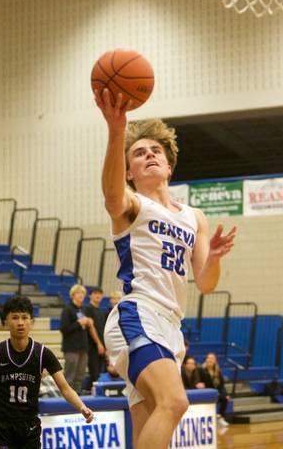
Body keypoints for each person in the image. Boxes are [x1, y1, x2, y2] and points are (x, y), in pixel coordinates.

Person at [95, 89, 237, 449]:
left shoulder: (194, 217)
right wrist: (117, 131)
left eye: (155, 150)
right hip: (137, 314)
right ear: (130, 171)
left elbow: (204, 282)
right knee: (175, 402)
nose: (149, 155)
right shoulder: (132, 204)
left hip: (171, 326)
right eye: (139, 153)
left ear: (169, 164)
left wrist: (215, 258)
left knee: (149, 426)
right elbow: (111, 197)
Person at [0, 295, 94, 447]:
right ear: (6, 322)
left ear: (31, 322)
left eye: (25, 317)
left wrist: (82, 407)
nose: (20, 323)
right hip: (2, 426)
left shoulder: (43, 353)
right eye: (15, 318)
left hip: (30, 425)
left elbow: (65, 388)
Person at [60, 284, 92, 394]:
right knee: (69, 376)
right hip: (71, 348)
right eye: (79, 293)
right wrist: (78, 323)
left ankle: (77, 397)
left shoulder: (84, 309)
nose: (81, 295)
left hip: (83, 347)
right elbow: (64, 329)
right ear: (72, 295)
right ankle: (66, 399)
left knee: (80, 376)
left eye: (83, 293)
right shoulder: (67, 310)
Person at [84, 287, 107, 392]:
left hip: (102, 346)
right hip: (92, 346)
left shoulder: (102, 312)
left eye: (100, 294)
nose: (98, 296)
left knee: (100, 373)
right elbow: (90, 329)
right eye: (95, 293)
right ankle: (89, 394)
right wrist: (98, 344)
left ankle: (91, 392)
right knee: (94, 373)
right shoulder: (87, 309)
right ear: (90, 295)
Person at [202, 352, 230, 427]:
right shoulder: (201, 370)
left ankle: (220, 417)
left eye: (212, 358)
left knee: (225, 398)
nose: (210, 360)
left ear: (215, 361)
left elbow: (222, 385)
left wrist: (226, 394)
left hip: (216, 393)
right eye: (208, 358)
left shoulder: (218, 371)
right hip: (206, 392)